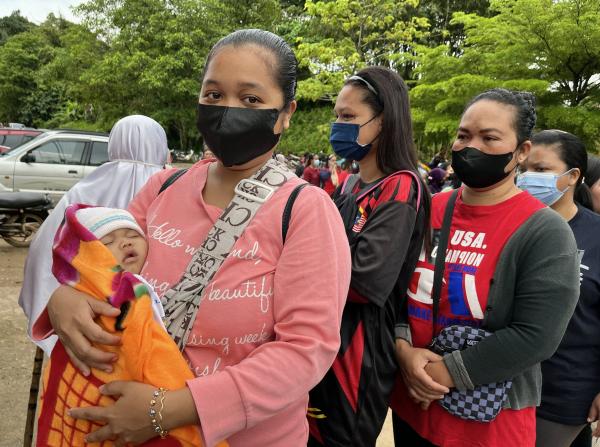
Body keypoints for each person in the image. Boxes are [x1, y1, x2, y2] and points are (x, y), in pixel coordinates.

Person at [33, 29, 351, 446]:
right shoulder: (162, 188)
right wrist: (64, 298)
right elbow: (104, 267)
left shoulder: (305, 211)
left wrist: (165, 410)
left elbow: (305, 350)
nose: (228, 110)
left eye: (250, 99)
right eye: (214, 94)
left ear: (285, 112)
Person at [390, 88, 580, 447]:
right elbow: (395, 292)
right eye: (464, 135)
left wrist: (442, 373)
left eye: (489, 138)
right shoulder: (429, 209)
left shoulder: (544, 231)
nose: (471, 147)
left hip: (486, 424)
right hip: (413, 406)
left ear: (521, 151)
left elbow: (537, 336)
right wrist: (403, 350)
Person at [308, 67, 431, 446]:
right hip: (321, 339)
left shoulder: (401, 186)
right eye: (337, 116)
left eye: (349, 117)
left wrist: (302, 267)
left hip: (357, 352)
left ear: (384, 121)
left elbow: (365, 279)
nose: (338, 126)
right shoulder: (350, 185)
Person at [35, 205, 211, 446]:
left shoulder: (140, 285)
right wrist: (61, 297)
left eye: (132, 235)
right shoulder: (110, 294)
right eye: (108, 242)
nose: (126, 243)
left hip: (151, 402)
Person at [19, 114, 169, 355]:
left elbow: (45, 250)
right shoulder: (175, 186)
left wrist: (56, 295)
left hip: (89, 307)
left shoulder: (87, 187)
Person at [517, 129, 600, 446]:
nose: (528, 178)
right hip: (504, 383)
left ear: (573, 176)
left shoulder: (596, 234)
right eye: (524, 169)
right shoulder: (512, 224)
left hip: (565, 392)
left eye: (540, 169)